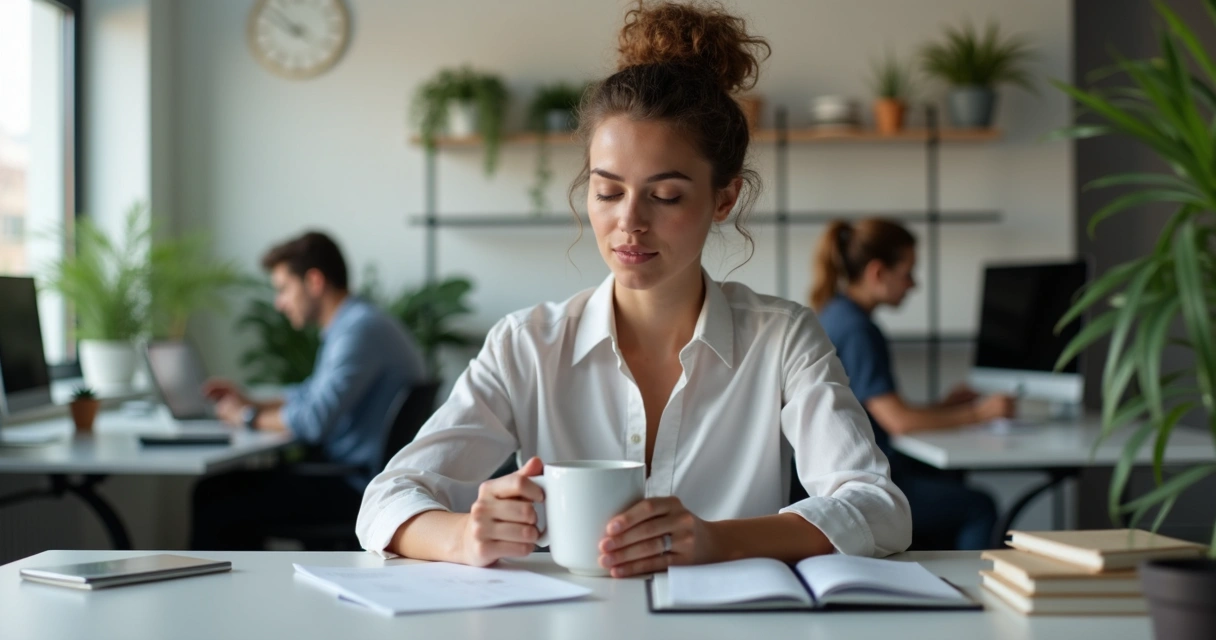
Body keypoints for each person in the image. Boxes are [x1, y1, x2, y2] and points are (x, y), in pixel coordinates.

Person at [356, 1, 911, 578]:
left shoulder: (781, 337)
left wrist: (715, 541)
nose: (630, 222)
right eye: (607, 191)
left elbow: (879, 507)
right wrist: (465, 534)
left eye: (665, 195)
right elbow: (388, 497)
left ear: (724, 199)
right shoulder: (529, 344)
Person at [191, 231, 426, 550]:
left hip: (352, 487)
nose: (279, 303)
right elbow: (312, 393)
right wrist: (254, 402)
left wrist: (245, 416)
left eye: (284, 289)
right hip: (352, 476)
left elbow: (314, 420)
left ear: (314, 281)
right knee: (225, 493)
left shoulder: (358, 331)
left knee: (214, 498)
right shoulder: (356, 323)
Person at [810, 218, 1013, 550]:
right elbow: (898, 421)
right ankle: (977, 597)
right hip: (864, 486)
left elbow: (881, 409)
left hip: (841, 476)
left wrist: (944, 408)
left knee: (950, 480)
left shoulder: (836, 314)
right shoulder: (859, 331)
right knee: (978, 506)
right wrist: (981, 413)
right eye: (907, 273)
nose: (913, 285)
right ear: (878, 273)